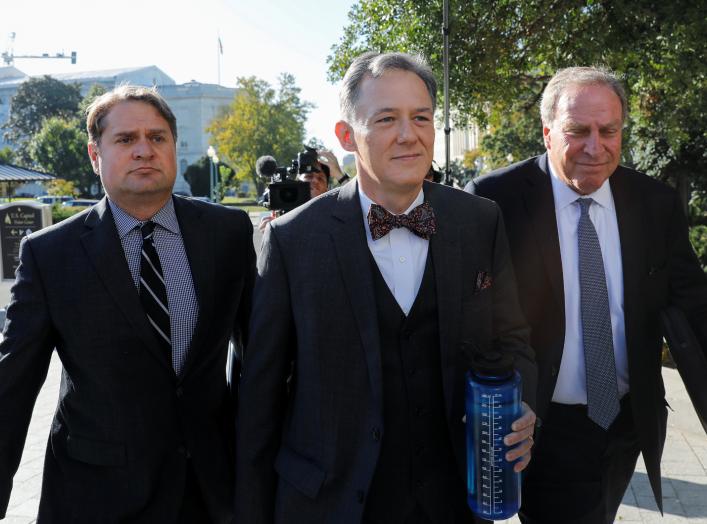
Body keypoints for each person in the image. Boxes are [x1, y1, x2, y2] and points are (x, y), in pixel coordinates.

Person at [235, 51, 537, 524]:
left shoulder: (480, 220)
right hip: (331, 503)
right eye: (386, 118)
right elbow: (259, 397)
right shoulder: (292, 239)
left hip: (454, 501)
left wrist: (525, 407)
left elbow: (514, 336)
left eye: (421, 117)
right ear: (346, 135)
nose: (408, 134)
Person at [0, 85, 255, 523]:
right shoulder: (50, 255)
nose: (144, 150)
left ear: (173, 147)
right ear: (95, 155)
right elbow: (13, 384)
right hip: (97, 495)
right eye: (125, 139)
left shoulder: (228, 233)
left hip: (212, 490)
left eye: (157, 138)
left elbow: (261, 357)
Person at [466, 66, 707, 523]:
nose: (595, 148)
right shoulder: (494, 200)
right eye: (578, 131)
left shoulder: (654, 203)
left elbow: (695, 304)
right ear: (547, 133)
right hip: (543, 424)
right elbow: (473, 316)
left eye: (609, 131)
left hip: (627, 423)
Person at [258, 149, 348, 231]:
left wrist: (340, 176)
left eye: (321, 178)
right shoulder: (285, 217)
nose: (315, 180)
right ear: (297, 182)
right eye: (309, 176)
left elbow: (356, 204)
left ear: (327, 188)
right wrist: (271, 236)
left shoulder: (335, 214)